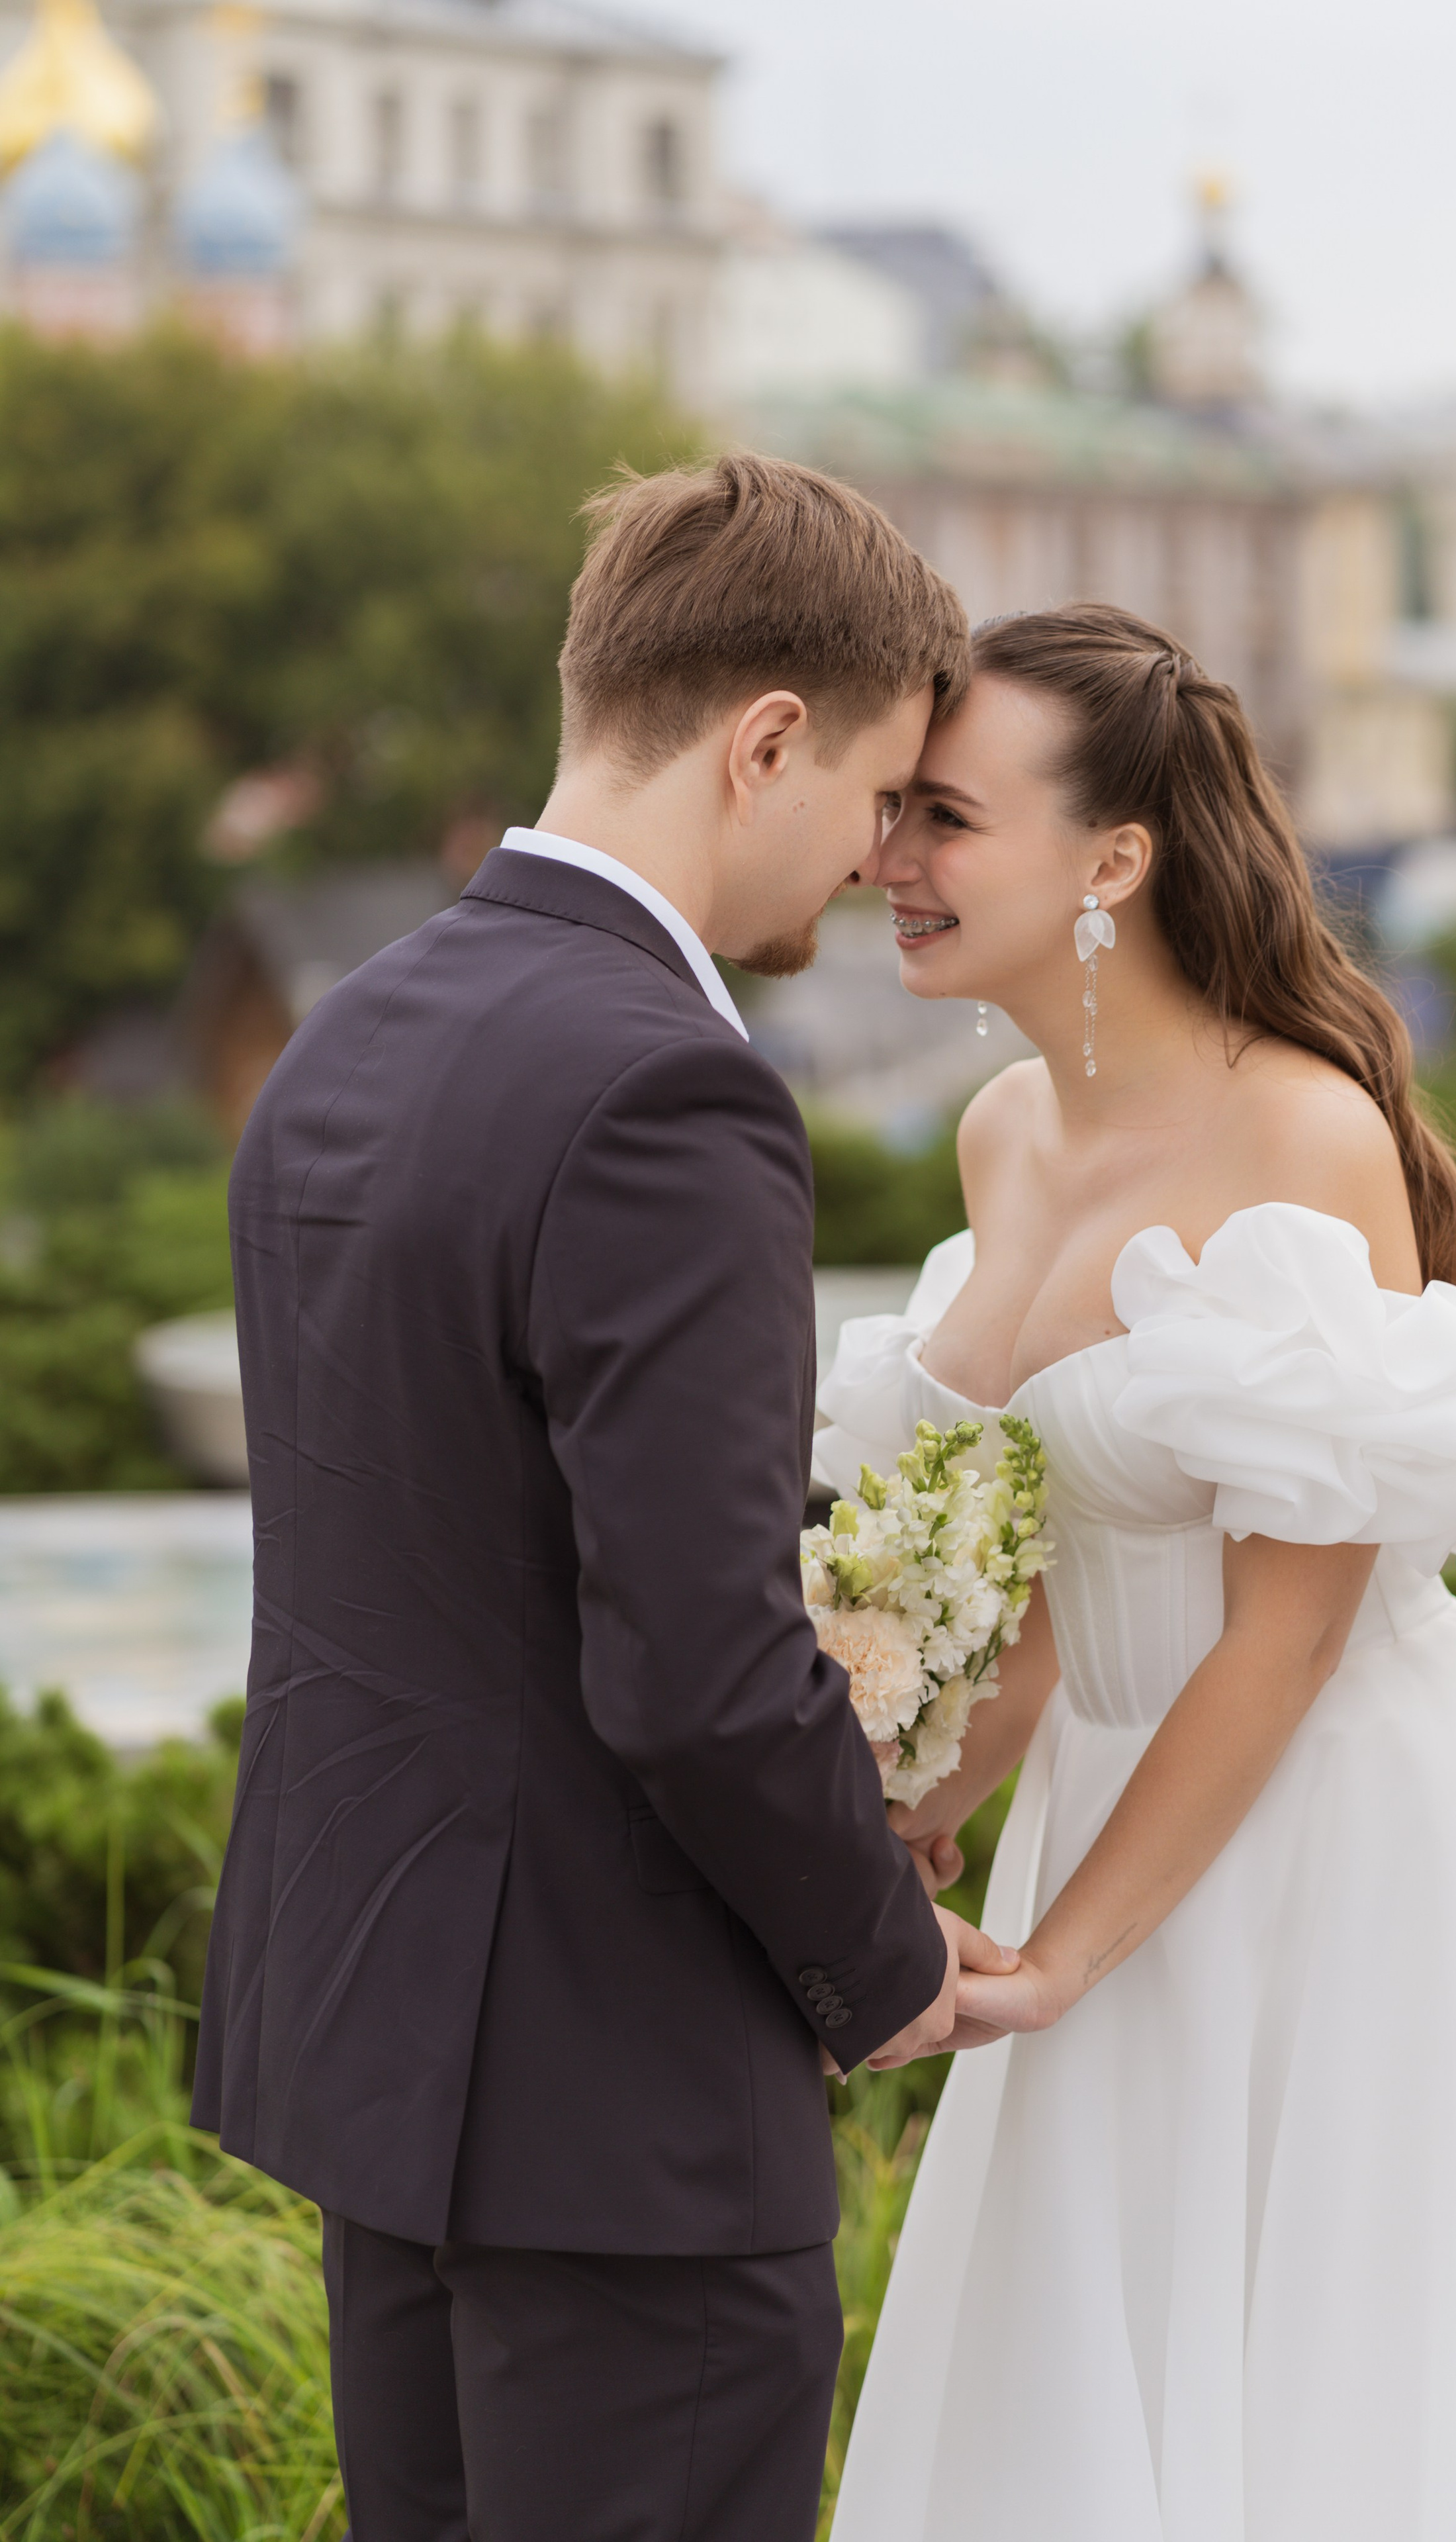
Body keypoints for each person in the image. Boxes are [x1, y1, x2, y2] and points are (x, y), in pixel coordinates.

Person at [191, 453, 1016, 2542]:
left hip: (390, 2075)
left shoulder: (347, 1039)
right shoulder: (673, 1086)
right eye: (874, 796)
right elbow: (697, 1660)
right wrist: (878, 1956)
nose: (870, 859)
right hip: (623, 2108)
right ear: (765, 743)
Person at [822, 603, 1456, 2541]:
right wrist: (903, 1819)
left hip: (1350, 1845)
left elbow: (1284, 1645)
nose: (892, 859)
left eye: (946, 818)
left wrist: (1059, 1962)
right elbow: (1033, 1606)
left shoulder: (1299, 1133)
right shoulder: (999, 1134)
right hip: (1112, 1813)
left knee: (1349, 2420)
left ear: (1112, 862)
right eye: (895, 811)